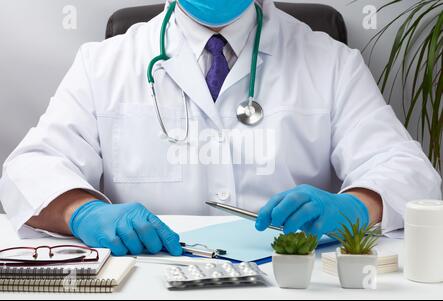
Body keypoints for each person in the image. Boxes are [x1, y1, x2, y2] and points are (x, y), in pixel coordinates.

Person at [0, 0, 441, 256]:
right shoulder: (103, 63)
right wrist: (83, 213)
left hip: (290, 283)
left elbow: (406, 169)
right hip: (148, 282)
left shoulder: (330, 62)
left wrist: (354, 209)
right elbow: (31, 169)